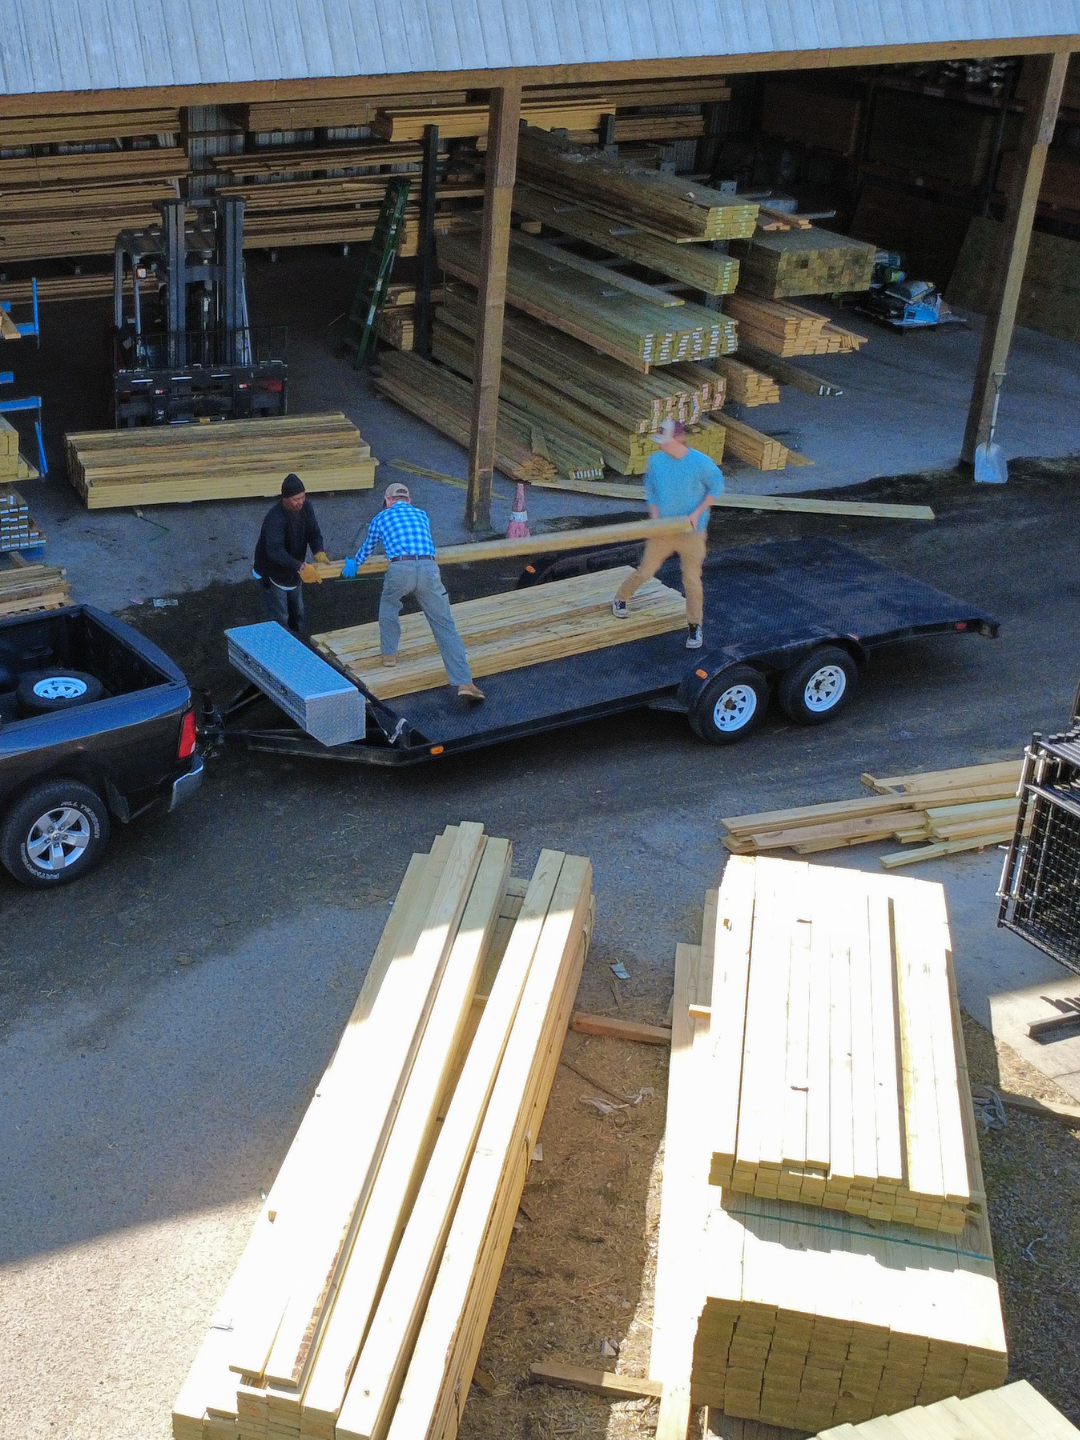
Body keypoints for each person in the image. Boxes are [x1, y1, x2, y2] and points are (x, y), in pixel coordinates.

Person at [342, 483, 486, 701]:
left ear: (388, 500)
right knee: (444, 625)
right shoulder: (422, 515)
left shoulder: (381, 518)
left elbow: (369, 547)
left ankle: (389, 655)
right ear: (408, 500)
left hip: (400, 569)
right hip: (429, 569)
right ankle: (465, 682)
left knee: (389, 607)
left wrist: (355, 563)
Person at [612, 418, 724, 649]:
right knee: (646, 571)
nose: (662, 445)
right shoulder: (656, 461)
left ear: (679, 438)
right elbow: (651, 489)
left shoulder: (700, 462)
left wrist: (697, 514)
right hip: (663, 529)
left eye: (666, 441)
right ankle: (621, 598)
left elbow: (717, 487)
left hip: (692, 532)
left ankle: (695, 626)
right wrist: (654, 513)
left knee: (692, 580)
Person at [253, 474, 328, 637]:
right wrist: (300, 566)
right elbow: (275, 551)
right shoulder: (275, 518)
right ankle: (281, 642)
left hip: (293, 571)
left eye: (302, 497)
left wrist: (318, 551)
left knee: (298, 610)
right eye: (295, 499)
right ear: (285, 499)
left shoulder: (306, 507)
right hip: (272, 573)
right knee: (280, 614)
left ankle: (298, 638)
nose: (300, 502)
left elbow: (314, 532)